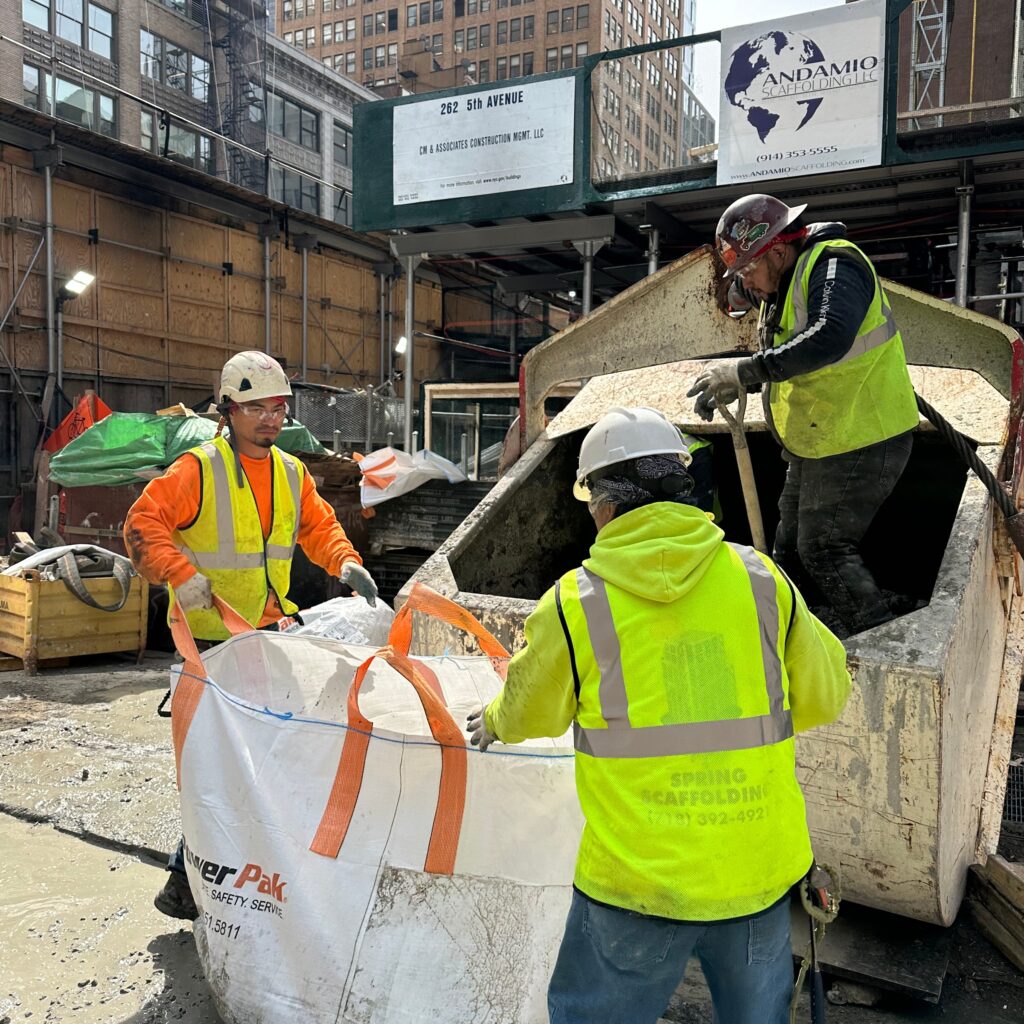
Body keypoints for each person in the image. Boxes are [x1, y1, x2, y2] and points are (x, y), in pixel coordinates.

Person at [467, 406, 850, 1024]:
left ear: (607, 504)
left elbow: (532, 712)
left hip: (634, 884)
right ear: (679, 484)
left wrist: (496, 720)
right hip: (753, 872)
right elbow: (828, 695)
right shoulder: (761, 581)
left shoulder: (575, 602)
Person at [124, 350, 378, 918]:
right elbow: (142, 523)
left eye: (278, 407)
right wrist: (180, 573)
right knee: (219, 769)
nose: (270, 419)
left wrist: (344, 561)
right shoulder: (199, 469)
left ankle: (216, 877)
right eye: (256, 407)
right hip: (210, 645)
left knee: (262, 761)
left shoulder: (290, 473)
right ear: (229, 410)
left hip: (266, 636)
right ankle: (187, 881)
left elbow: (319, 527)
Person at [688, 194, 919, 637]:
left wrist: (743, 370)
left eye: (748, 270)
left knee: (824, 549)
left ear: (777, 250)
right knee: (789, 549)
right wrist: (736, 380)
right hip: (821, 438)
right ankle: (800, 634)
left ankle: (877, 639)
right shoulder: (778, 283)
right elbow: (784, 352)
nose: (747, 285)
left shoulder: (834, 263)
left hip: (865, 433)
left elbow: (828, 338)